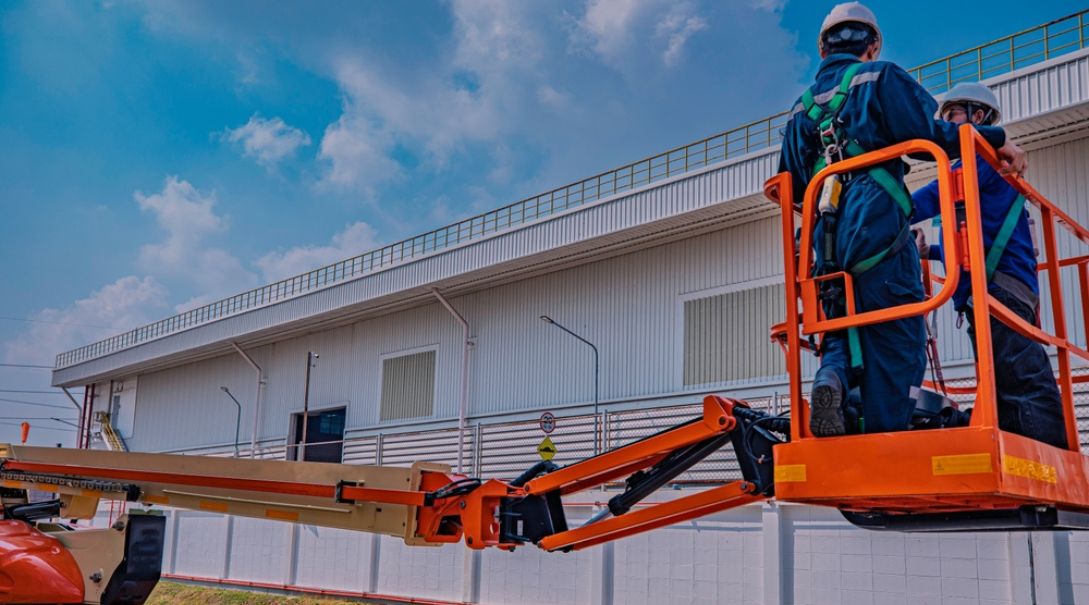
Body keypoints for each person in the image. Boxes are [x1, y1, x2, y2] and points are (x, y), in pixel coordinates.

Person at [778, 2, 1026, 436]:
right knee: (898, 336)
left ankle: (830, 378)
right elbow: (934, 137)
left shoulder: (798, 112)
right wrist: (998, 138)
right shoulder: (881, 77)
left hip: (826, 239)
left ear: (823, 49)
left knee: (839, 326)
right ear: (872, 45)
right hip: (876, 227)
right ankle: (885, 438)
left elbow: (793, 188)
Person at [912, 82, 1067, 449]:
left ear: (977, 117)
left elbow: (927, 199)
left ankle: (1050, 461)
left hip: (1001, 288)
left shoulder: (980, 158)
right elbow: (969, 242)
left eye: (951, 115)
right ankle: (1021, 451)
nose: (946, 124)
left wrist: (887, 204)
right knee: (1004, 379)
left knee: (1020, 376)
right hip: (993, 287)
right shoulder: (976, 170)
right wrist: (928, 251)